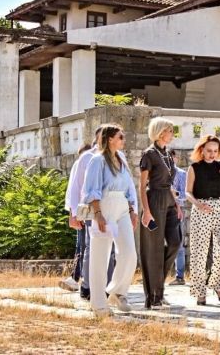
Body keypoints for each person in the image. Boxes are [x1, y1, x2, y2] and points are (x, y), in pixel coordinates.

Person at [82, 124, 139, 318]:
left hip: (122, 206)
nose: (123, 140)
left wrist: (132, 209)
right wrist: (98, 213)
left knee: (129, 253)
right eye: (120, 136)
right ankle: (98, 304)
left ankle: (117, 291)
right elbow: (91, 189)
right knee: (100, 257)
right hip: (104, 206)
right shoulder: (97, 160)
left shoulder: (121, 158)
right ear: (109, 139)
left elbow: (128, 186)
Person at [62, 125, 115, 301]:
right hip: (89, 209)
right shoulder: (86, 157)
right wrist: (73, 214)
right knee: (89, 248)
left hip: (110, 208)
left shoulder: (115, 157)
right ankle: (86, 286)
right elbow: (75, 187)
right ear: (99, 137)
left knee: (110, 249)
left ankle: (106, 286)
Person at [185, 135, 220, 306]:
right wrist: (198, 204)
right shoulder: (194, 168)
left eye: (215, 151)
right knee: (199, 253)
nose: (212, 154)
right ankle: (200, 292)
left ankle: (218, 286)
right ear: (202, 150)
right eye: (209, 150)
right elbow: (187, 192)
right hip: (201, 209)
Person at [139, 117, 183, 309]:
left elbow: (170, 183)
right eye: (169, 130)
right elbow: (142, 186)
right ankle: (154, 297)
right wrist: (146, 211)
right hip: (154, 199)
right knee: (154, 249)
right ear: (159, 132)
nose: (172, 134)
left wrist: (177, 205)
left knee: (175, 242)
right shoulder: (149, 154)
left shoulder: (167, 154)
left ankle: (158, 286)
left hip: (169, 200)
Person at [59, 142, 91, 293]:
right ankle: (76, 278)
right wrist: (73, 214)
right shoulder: (81, 164)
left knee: (83, 246)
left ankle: (77, 278)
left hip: (84, 209)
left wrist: (72, 213)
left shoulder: (86, 163)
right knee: (82, 245)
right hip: (82, 209)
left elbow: (73, 191)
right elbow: (73, 191)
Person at [169, 149, 188, 286]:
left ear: (176, 158)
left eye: (171, 157)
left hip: (176, 212)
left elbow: (185, 195)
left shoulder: (181, 174)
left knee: (178, 244)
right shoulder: (159, 173)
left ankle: (180, 276)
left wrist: (173, 193)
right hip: (160, 211)